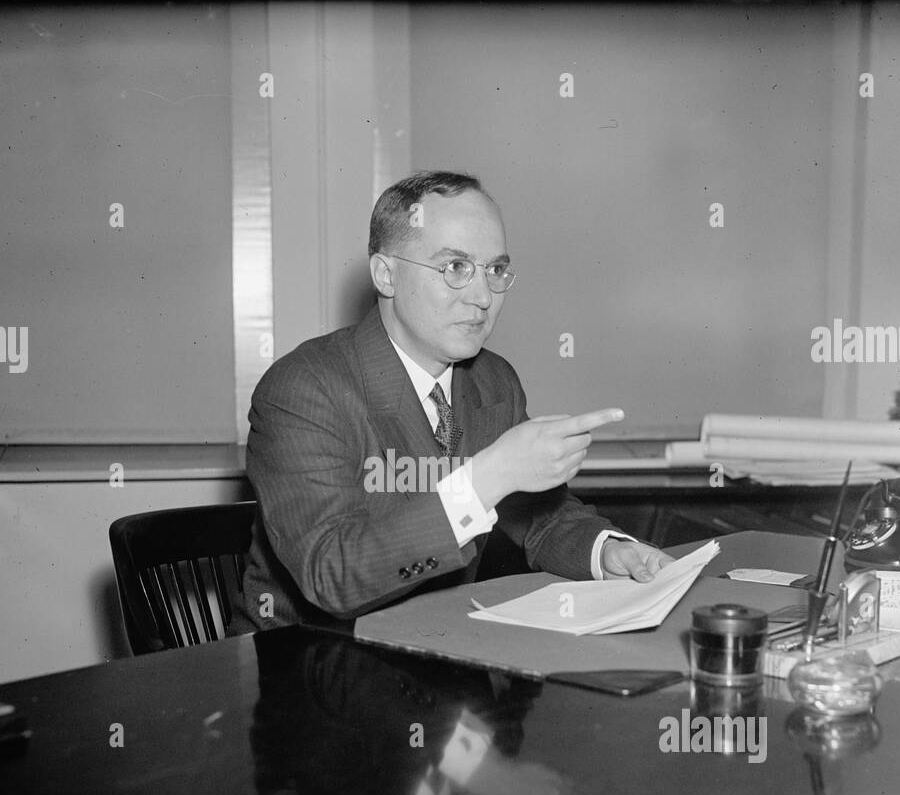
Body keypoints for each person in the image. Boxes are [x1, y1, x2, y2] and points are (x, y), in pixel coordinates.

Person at [229, 170, 673, 635]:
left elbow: (541, 518)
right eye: (455, 267)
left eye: (495, 270)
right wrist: (491, 475)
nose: (483, 297)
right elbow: (332, 575)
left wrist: (608, 551)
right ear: (386, 274)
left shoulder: (492, 380)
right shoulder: (303, 388)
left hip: (437, 649)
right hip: (306, 666)